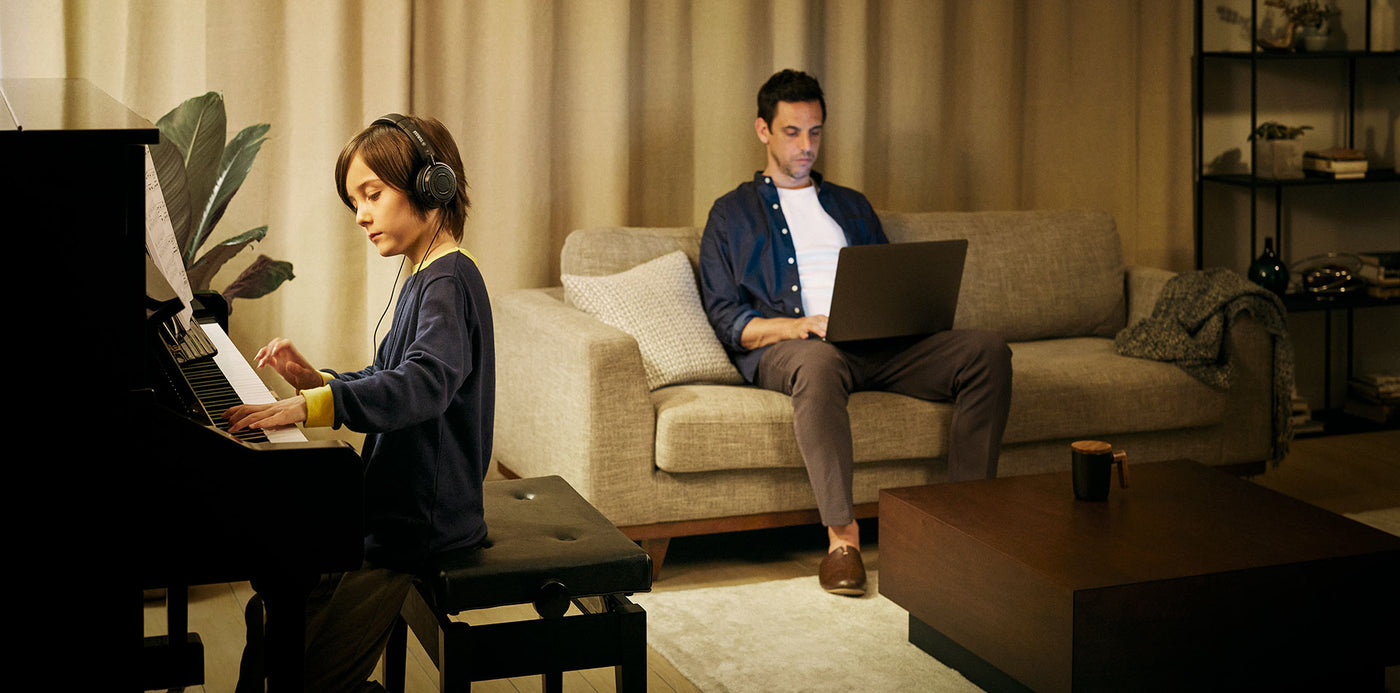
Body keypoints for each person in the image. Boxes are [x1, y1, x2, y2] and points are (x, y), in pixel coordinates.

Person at [698, 70, 1012, 597]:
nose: (806, 145)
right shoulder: (731, 215)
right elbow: (728, 319)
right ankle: (843, 543)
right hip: (796, 350)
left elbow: (889, 281)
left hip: (877, 345)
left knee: (986, 351)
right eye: (793, 131)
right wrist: (797, 326)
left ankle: (964, 523)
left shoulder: (850, 205)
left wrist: (907, 315)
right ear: (762, 131)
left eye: (815, 132)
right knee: (818, 364)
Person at [224, 114, 494, 690]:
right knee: (269, 611)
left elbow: (423, 384)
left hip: (418, 526)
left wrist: (311, 408)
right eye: (354, 202)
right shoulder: (425, 274)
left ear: (431, 186)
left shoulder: (447, 282)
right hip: (390, 511)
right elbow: (391, 376)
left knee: (309, 674)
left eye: (372, 194)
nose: (362, 215)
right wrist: (315, 383)